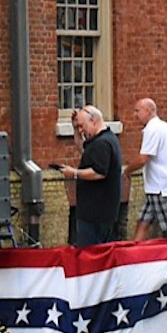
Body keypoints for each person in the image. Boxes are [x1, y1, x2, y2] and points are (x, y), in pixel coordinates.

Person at [59, 104, 122, 246]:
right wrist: (75, 129)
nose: (81, 130)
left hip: (96, 213)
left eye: (82, 126)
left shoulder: (103, 143)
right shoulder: (101, 139)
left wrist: (74, 173)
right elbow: (83, 150)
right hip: (96, 211)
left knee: (90, 252)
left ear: (93, 120)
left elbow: (99, 172)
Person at [130, 96, 167, 242]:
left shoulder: (153, 129)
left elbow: (144, 158)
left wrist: (127, 171)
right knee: (143, 222)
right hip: (157, 187)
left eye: (138, 111)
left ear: (149, 110)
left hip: (162, 188)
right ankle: (134, 253)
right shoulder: (165, 126)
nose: (135, 115)